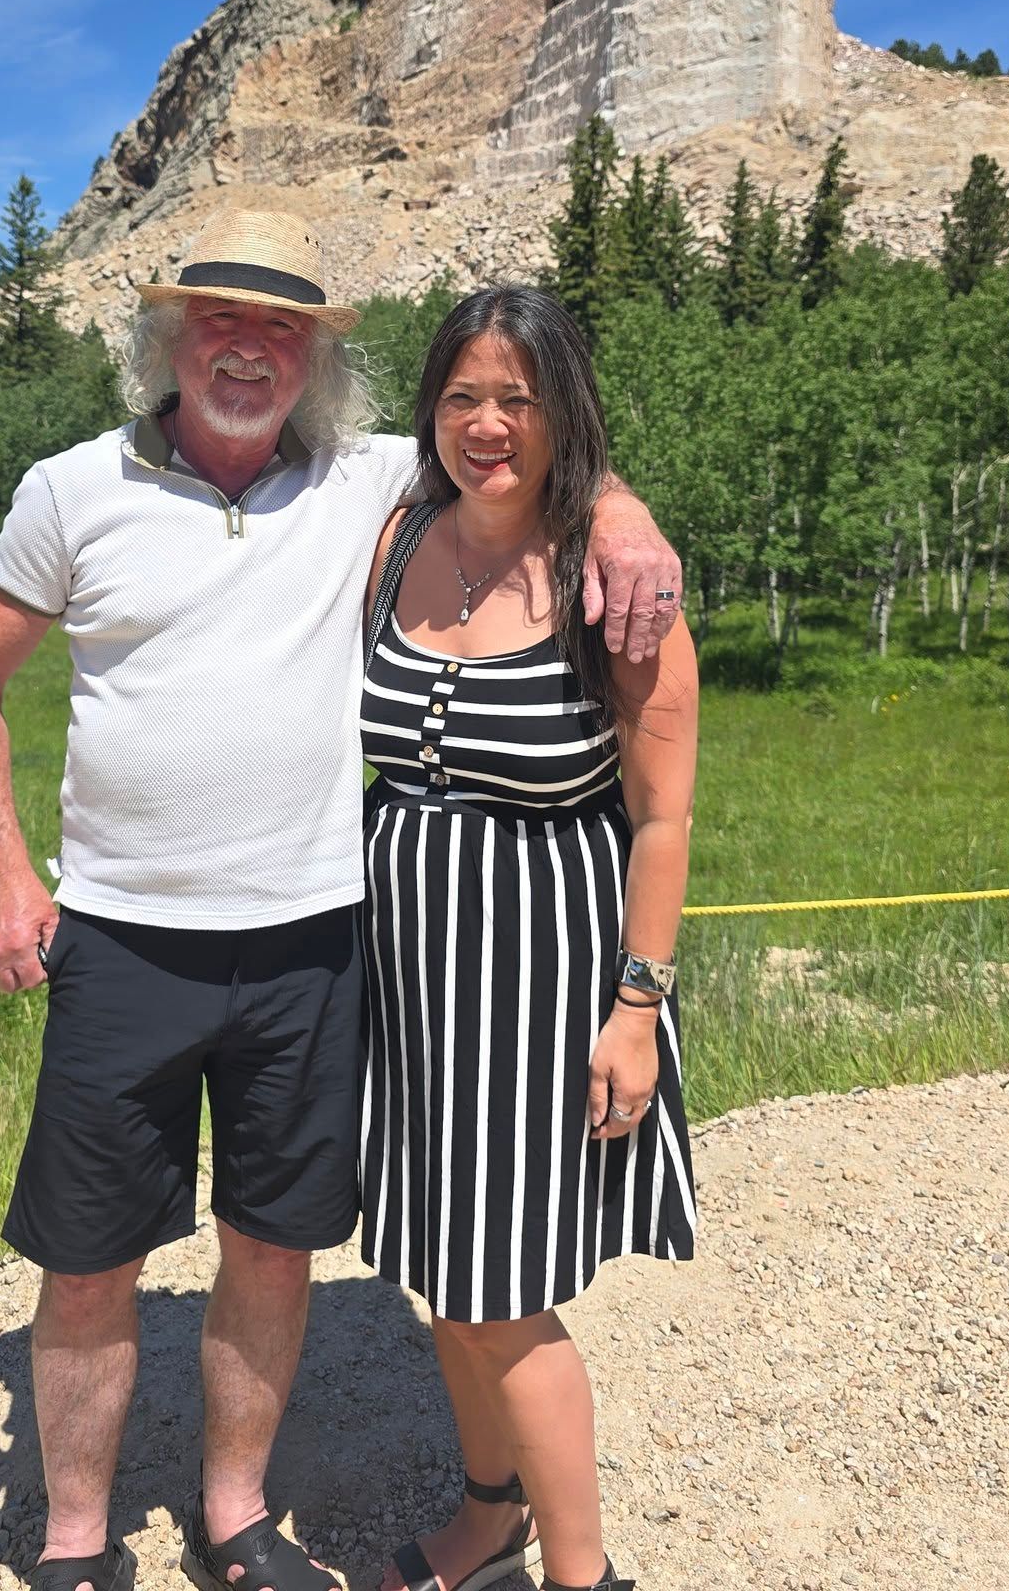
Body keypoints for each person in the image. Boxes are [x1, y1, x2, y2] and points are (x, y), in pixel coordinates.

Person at [0, 211, 683, 1591]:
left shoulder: (368, 477)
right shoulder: (70, 488)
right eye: (220, 320)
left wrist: (624, 512)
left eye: (280, 328)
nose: (248, 350)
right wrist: (0, 872)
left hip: (320, 945)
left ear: (316, 358)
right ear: (168, 337)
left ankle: (236, 1519)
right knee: (89, 1258)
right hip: (125, 935)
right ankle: (77, 1540)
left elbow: (526, 436)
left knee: (276, 1250)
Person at [358, 286, 698, 1591]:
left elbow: (662, 817)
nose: (487, 424)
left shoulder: (618, 584)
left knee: (501, 1293)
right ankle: (490, 1515)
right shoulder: (397, 535)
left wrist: (636, 1010)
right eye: (463, 396)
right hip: (410, 978)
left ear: (565, 413)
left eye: (518, 397)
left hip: (544, 982)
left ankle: (584, 1576)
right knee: (443, 1272)